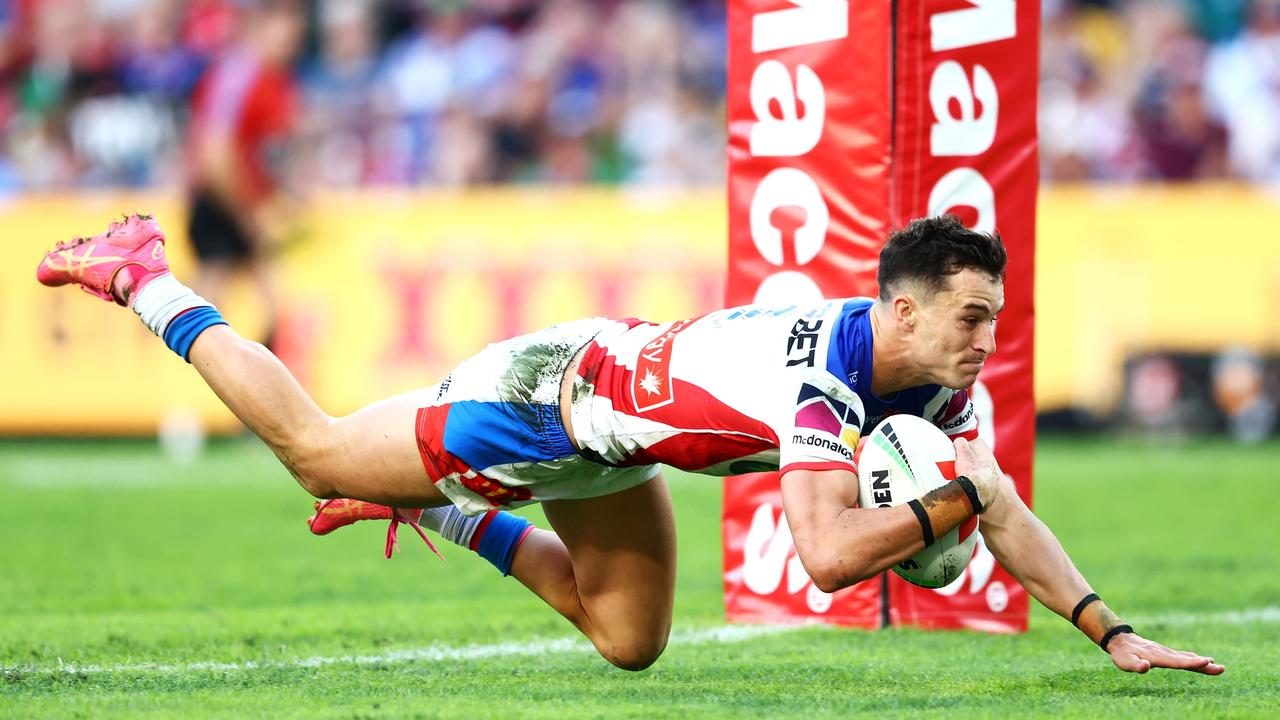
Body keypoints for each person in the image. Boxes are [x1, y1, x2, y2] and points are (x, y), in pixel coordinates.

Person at [35, 213, 1224, 676]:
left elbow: (999, 506)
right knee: (317, 451)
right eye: (969, 317)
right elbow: (823, 557)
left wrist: (1108, 634)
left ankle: (437, 507)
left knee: (628, 644)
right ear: (903, 312)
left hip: (615, 442)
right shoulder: (827, 375)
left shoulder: (927, 380)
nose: (986, 340)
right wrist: (939, 514)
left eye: (993, 320)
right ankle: (145, 277)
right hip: (552, 395)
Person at [184, 0, 306, 349]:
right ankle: (197, 394)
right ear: (260, 26)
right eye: (285, 25)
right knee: (208, 309)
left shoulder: (276, 80)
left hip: (243, 206)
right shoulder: (240, 76)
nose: (292, 37)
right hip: (221, 203)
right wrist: (247, 213)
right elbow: (216, 154)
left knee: (268, 308)